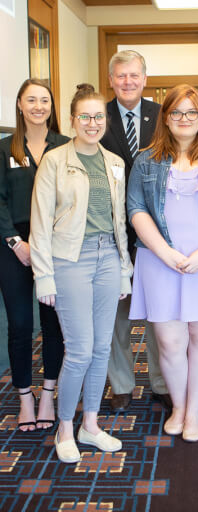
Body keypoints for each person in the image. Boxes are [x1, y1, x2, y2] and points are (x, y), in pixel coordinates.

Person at [127, 84, 198, 442]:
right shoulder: (146, 159)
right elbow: (136, 209)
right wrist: (165, 252)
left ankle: (194, 413)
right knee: (170, 341)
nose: (184, 119)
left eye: (191, 112)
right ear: (166, 118)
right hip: (160, 261)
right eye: (176, 112)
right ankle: (177, 406)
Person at [29, 84, 132, 463]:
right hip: (70, 259)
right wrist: (44, 275)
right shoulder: (55, 160)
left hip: (108, 257)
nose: (92, 123)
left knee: (102, 348)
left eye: (98, 116)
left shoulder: (115, 162)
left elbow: (119, 219)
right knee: (80, 350)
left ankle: (91, 424)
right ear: (72, 120)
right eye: (84, 116)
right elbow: (40, 223)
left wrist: (124, 269)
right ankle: (66, 427)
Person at [101, 50, 170, 413]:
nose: (127, 82)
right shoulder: (100, 115)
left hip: (156, 229)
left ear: (145, 79)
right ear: (111, 80)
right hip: (111, 229)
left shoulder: (162, 116)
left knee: (158, 312)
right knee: (118, 316)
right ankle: (122, 384)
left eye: (134, 75)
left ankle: (161, 381)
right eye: (121, 76)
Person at [0, 79, 68, 432]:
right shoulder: (4, 149)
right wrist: (15, 241)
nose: (39, 106)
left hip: (54, 246)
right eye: (32, 100)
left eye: (45, 100)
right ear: (20, 105)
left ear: (52, 106)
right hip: (13, 247)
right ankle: (25, 396)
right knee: (21, 324)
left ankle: (48, 393)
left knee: (53, 323)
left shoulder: (65, 146)